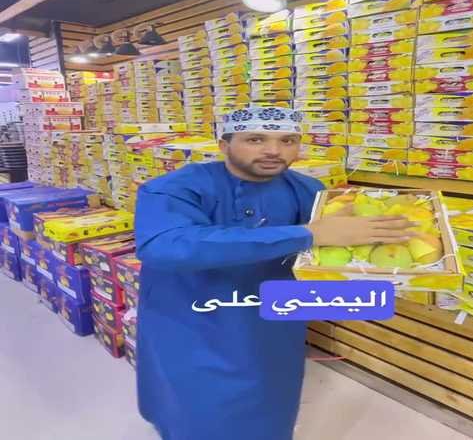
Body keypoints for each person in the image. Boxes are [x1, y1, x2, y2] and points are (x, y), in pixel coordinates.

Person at [134, 106, 416, 440]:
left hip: (272, 319)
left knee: (269, 397)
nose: (273, 150)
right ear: (224, 145)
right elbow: (163, 245)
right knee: (196, 405)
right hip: (192, 319)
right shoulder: (175, 188)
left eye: (287, 140)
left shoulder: (308, 189)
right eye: (255, 139)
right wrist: (307, 234)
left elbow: (330, 250)